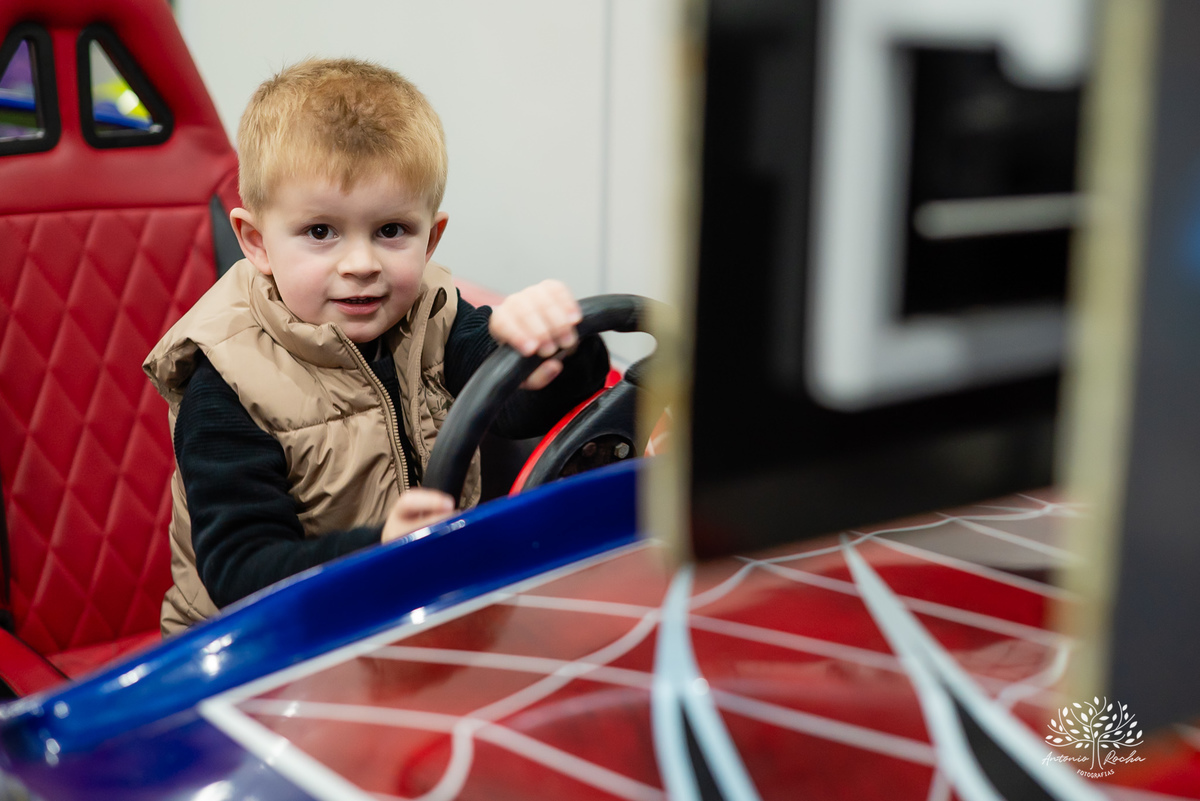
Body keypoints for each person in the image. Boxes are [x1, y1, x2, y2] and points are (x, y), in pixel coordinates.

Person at [143, 58, 608, 634]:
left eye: (391, 231)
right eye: (321, 232)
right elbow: (239, 570)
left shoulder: (436, 313)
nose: (362, 265)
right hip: (258, 650)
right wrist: (380, 551)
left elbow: (517, 407)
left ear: (431, 237)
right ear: (257, 243)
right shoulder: (228, 379)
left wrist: (548, 350)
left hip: (408, 610)